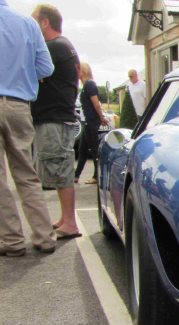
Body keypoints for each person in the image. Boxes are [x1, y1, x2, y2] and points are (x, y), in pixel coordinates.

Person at [0, 0, 56, 256]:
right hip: (19, 105)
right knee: (26, 173)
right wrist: (22, 75)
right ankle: (45, 237)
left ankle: (12, 241)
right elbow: (46, 67)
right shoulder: (27, 23)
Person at [31, 4, 81, 239]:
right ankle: (65, 218)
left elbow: (29, 71)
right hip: (58, 117)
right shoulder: (63, 46)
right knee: (61, 167)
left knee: (60, 169)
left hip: (55, 118)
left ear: (45, 22)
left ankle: (70, 222)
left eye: (34, 21)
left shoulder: (53, 47)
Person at [74, 62, 108, 184]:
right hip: (87, 121)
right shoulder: (86, 85)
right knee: (83, 149)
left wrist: (101, 117)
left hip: (91, 121)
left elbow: (96, 103)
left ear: (82, 71)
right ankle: (76, 175)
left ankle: (98, 176)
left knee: (94, 150)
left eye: (77, 70)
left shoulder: (89, 85)